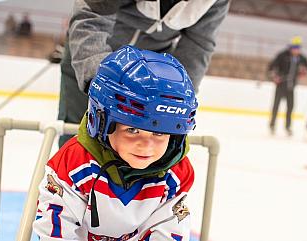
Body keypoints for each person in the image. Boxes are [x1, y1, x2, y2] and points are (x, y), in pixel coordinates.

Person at [33, 45, 198, 240]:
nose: (146, 145)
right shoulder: (74, 163)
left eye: (159, 133)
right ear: (101, 123)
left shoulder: (177, 174)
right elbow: (56, 229)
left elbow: (168, 231)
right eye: (132, 130)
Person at [58, 0, 229, 147]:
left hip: (152, 75)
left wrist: (178, 98)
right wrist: (101, 80)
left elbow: (198, 46)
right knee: (79, 141)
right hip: (94, 61)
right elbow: (92, 16)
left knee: (143, 152)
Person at [268, 36, 307, 136]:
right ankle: (272, 125)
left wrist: (304, 72)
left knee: (290, 107)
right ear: (290, 47)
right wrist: (274, 76)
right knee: (276, 106)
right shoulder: (282, 55)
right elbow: (272, 67)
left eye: (298, 48)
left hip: (291, 86)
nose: (296, 50)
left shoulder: (301, 58)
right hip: (281, 85)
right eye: (295, 48)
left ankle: (288, 127)